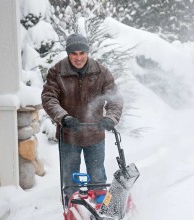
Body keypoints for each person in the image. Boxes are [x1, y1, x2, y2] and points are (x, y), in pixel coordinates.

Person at [41, 33, 123, 197]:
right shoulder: (57, 73)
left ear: (87, 52)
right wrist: (64, 117)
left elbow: (115, 99)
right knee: (71, 179)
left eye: (82, 53)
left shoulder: (101, 72)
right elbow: (49, 99)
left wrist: (110, 118)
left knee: (98, 176)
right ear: (68, 53)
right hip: (69, 135)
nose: (78, 58)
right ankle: (72, 207)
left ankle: (99, 206)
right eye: (74, 53)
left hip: (94, 134)